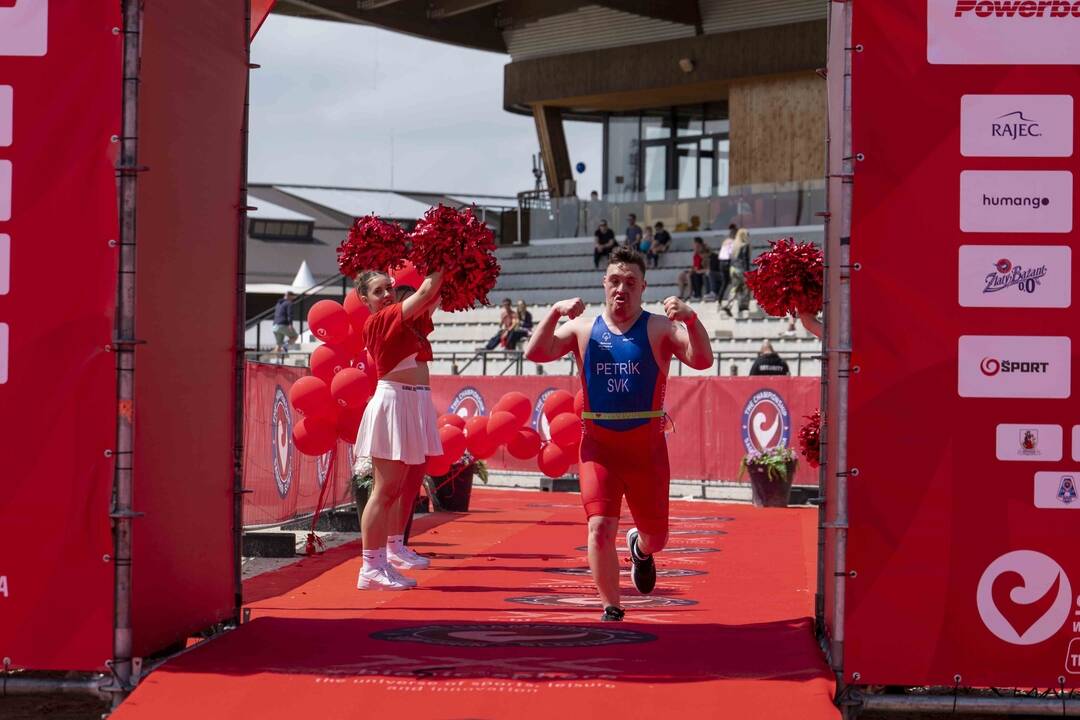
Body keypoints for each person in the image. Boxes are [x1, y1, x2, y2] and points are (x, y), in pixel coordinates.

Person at [524, 247, 713, 621]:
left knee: (658, 538)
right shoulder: (582, 329)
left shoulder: (659, 327)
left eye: (630, 282)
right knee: (598, 528)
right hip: (599, 449)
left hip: (647, 453)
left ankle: (641, 550)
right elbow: (536, 351)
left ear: (643, 286)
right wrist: (554, 312)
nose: (621, 289)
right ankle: (612, 605)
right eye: (614, 281)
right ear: (603, 284)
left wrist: (692, 320)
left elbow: (702, 359)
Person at [353, 268, 444, 590]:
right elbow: (423, 294)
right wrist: (445, 258)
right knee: (385, 489)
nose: (387, 294)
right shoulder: (377, 321)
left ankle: (384, 557)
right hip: (393, 404)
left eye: (389, 288)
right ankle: (371, 567)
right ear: (365, 300)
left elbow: (430, 299)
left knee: (395, 489)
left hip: (410, 404)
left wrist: (453, 276)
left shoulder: (405, 322)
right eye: (378, 291)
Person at [724, 228, 752, 318]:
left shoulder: (734, 245)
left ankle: (728, 305)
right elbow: (745, 259)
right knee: (746, 286)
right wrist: (748, 272)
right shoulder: (745, 245)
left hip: (733, 268)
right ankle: (743, 306)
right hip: (741, 268)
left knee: (735, 287)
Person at [272, 291, 299, 355]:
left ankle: (275, 360)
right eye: (293, 297)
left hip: (275, 326)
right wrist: (290, 324)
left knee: (278, 344)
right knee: (295, 336)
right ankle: (285, 346)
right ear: (289, 296)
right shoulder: (289, 303)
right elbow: (290, 314)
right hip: (282, 324)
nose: (293, 298)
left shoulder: (279, 303)